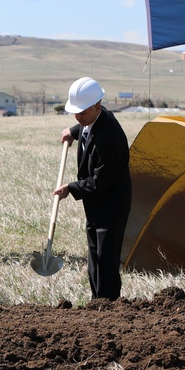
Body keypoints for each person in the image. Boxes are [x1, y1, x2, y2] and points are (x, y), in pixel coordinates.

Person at [52, 76, 132, 301]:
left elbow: (100, 181)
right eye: (75, 113)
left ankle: (108, 304)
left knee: (106, 258)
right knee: (94, 256)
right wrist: (75, 130)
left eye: (82, 113)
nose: (78, 117)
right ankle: (96, 300)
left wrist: (71, 188)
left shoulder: (110, 138)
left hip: (111, 205)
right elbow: (86, 125)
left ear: (98, 105)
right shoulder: (94, 118)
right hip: (96, 203)